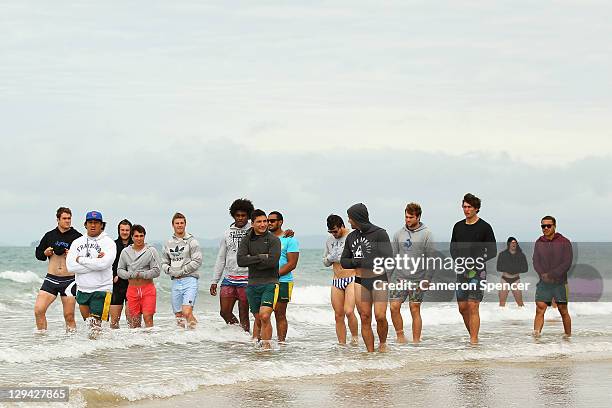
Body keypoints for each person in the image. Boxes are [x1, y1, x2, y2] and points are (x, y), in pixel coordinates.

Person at [341, 203, 392, 353]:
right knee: (364, 317)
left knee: (380, 316)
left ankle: (382, 345)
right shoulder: (351, 237)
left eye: (350, 218)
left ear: (358, 218)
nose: (349, 221)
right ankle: (370, 353)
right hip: (360, 281)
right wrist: (358, 262)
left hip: (378, 279)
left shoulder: (380, 233)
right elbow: (344, 261)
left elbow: (388, 258)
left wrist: (363, 261)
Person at [450, 193, 497, 345]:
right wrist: (459, 261)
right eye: (464, 207)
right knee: (462, 308)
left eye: (469, 207)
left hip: (478, 271)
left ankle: (473, 341)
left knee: (473, 305)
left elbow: (492, 250)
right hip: (461, 271)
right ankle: (473, 334)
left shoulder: (485, 227)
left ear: (476, 208)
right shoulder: (458, 226)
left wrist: (477, 260)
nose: (466, 209)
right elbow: (453, 248)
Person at [66, 211, 116, 338]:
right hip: (82, 289)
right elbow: (70, 266)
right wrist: (95, 263)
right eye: (90, 222)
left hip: (101, 289)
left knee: (96, 325)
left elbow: (103, 264)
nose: (93, 225)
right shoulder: (77, 242)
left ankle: (98, 354)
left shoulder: (108, 243)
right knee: (88, 324)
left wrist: (80, 260)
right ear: (86, 224)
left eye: (96, 223)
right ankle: (93, 352)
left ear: (101, 225)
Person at [389, 203, 434, 344]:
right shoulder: (398, 234)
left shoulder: (427, 234)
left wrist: (427, 279)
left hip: (418, 278)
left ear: (418, 217)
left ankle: (416, 341)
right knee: (393, 307)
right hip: (400, 278)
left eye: (411, 217)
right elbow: (393, 257)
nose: (407, 220)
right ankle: (400, 337)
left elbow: (431, 259)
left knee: (414, 309)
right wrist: (387, 277)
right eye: (406, 217)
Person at [237, 209, 281, 349]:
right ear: (252, 223)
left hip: (270, 283)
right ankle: (257, 346)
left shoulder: (274, 240)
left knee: (265, 316)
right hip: (252, 284)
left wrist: (252, 259)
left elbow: (273, 262)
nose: (263, 224)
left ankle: (267, 347)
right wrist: (261, 257)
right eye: (259, 222)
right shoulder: (246, 239)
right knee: (258, 318)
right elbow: (241, 261)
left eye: (265, 221)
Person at [34, 207, 82, 332]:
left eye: (69, 218)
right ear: (58, 219)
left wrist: (73, 256)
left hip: (70, 280)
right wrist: (45, 252)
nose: (67, 221)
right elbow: (38, 254)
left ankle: (71, 345)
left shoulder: (77, 237)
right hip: (51, 279)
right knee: (39, 310)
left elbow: (85, 259)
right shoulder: (49, 235)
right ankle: (41, 340)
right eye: (64, 218)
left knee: (69, 316)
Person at [210, 199, 254, 332]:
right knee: (224, 312)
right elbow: (221, 258)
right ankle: (239, 334)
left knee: (244, 313)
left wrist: (287, 233)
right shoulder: (227, 233)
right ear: (233, 215)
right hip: (229, 278)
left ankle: (245, 341)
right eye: (238, 215)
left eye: (243, 215)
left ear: (248, 216)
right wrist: (215, 281)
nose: (240, 218)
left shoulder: (254, 231)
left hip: (247, 279)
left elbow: (273, 234)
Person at [533, 216, 573, 338]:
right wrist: (542, 275)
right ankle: (536, 337)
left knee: (563, 310)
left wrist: (551, 274)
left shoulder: (564, 241)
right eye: (543, 226)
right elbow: (535, 261)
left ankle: (568, 337)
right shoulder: (539, 242)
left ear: (554, 226)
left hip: (560, 282)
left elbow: (567, 262)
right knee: (540, 308)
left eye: (548, 226)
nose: (545, 228)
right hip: (543, 282)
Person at [161, 212, 202, 329]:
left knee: (187, 312)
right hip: (175, 282)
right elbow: (164, 262)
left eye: (182, 223)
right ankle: (182, 341)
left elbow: (197, 261)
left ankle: (197, 334)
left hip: (190, 280)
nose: (179, 225)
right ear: (172, 225)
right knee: (179, 315)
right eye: (177, 223)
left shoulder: (192, 241)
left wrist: (182, 271)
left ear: (185, 224)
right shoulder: (168, 243)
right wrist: (170, 270)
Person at [323, 214, 358, 345]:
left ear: (342, 226)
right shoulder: (329, 240)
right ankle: (342, 345)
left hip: (351, 278)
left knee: (349, 311)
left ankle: (355, 338)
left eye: (336, 231)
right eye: (331, 232)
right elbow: (325, 262)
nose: (334, 234)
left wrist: (345, 258)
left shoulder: (352, 236)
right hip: (337, 279)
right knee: (338, 315)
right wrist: (330, 258)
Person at [117, 224, 161, 328]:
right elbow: (120, 270)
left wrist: (142, 274)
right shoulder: (125, 252)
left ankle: (150, 343)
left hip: (148, 289)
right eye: (136, 236)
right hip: (132, 289)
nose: (139, 238)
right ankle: (138, 344)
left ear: (144, 236)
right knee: (134, 321)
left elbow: (157, 271)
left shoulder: (151, 251)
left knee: (148, 316)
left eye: (141, 236)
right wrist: (130, 275)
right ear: (131, 237)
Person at [268, 211, 299, 343]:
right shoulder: (264, 238)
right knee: (263, 314)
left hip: (284, 282)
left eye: (272, 221)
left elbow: (292, 264)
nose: (269, 223)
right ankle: (263, 343)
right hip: (265, 281)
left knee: (280, 315)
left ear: (280, 222)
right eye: (268, 220)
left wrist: (274, 275)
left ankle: (281, 344)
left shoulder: (290, 240)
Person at [110, 219, 133, 329]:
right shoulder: (112, 245)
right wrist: (113, 275)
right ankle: (116, 346)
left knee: (132, 320)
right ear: (118, 231)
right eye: (122, 230)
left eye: (127, 230)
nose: (124, 232)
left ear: (130, 231)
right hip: (117, 284)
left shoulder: (135, 245)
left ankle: (134, 345)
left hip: (132, 284)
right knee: (114, 322)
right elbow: (107, 263)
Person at [496, 237, 528, 307]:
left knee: (520, 303)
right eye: (511, 243)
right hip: (505, 279)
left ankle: (523, 316)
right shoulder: (502, 254)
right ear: (508, 244)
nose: (513, 244)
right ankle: (501, 316)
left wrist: (515, 269)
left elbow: (525, 268)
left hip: (516, 279)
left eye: (515, 243)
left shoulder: (521, 255)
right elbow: (498, 267)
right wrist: (509, 269)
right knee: (502, 303)